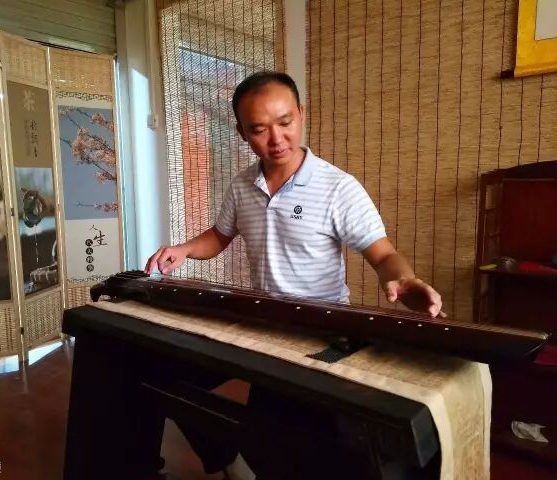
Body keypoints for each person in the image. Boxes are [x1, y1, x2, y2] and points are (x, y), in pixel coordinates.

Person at [144, 71, 443, 480]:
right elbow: (220, 235)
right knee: (166, 374)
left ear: (301, 114)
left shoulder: (337, 187)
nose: (276, 139)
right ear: (242, 133)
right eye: (259, 129)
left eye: (285, 122)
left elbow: (384, 254)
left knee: (293, 443)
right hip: (263, 324)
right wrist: (184, 250)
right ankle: (226, 460)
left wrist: (404, 280)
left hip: (323, 333)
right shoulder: (242, 186)